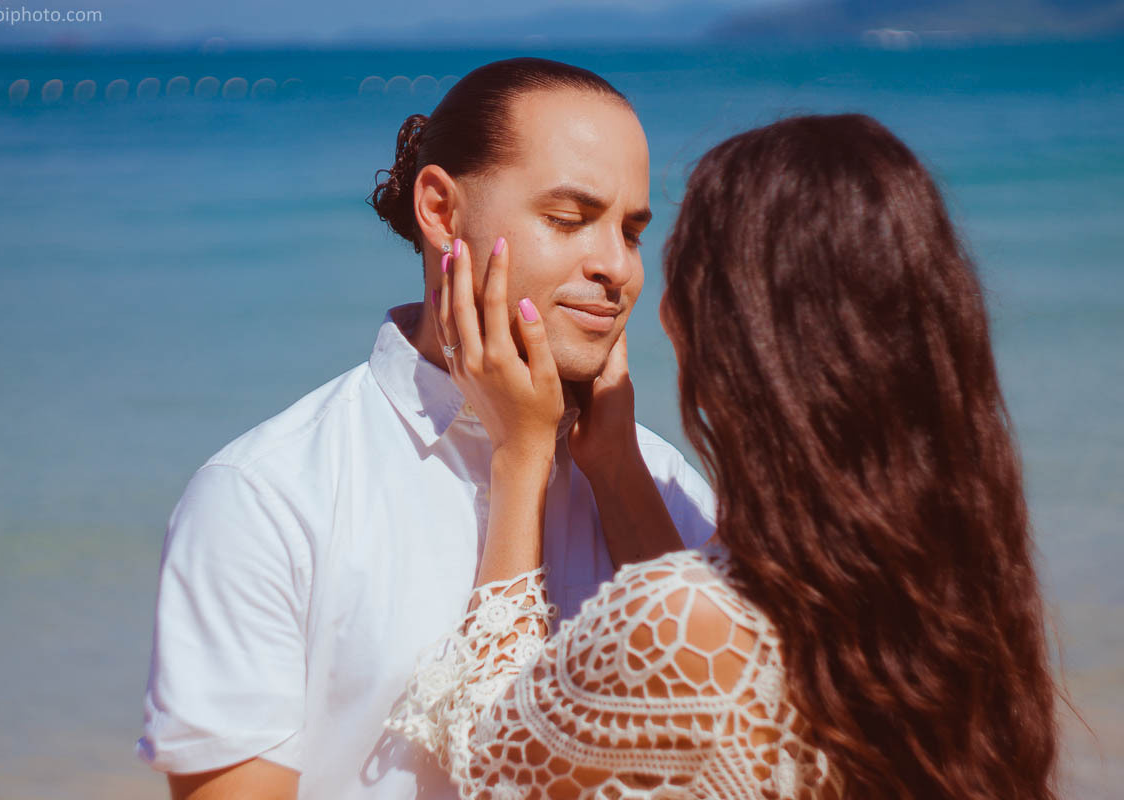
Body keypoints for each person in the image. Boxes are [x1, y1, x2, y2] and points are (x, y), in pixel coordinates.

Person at [387, 114, 1059, 799]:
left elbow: (489, 755)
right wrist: (617, 469)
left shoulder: (691, 620)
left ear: (731, 333)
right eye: (569, 219)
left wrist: (521, 454)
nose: (628, 278)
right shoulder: (948, 598)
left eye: (647, 245)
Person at [136, 58, 719, 799]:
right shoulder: (266, 498)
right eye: (568, 220)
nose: (617, 268)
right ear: (441, 210)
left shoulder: (664, 483)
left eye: (631, 231)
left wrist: (619, 477)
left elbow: (725, 747)